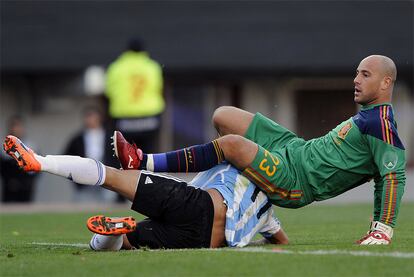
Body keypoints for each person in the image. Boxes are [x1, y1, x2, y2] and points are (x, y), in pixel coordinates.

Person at [112, 55, 405, 245]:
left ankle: (141, 160)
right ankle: (242, 176)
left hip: (295, 181)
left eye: (365, 75)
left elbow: (392, 176)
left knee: (231, 145)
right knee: (222, 115)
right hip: (293, 147)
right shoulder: (368, 117)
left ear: (386, 82)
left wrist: (383, 228)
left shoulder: (381, 124)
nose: (356, 80)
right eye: (357, 73)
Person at [3, 135, 288, 250]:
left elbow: (207, 150)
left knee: (111, 176)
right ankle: (111, 236)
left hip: (195, 203)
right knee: (128, 242)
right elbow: (281, 241)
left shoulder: (235, 159)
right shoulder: (267, 209)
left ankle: (40, 161)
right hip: (200, 241)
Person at [105, 37, 165, 153]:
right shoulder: (153, 67)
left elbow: (109, 91)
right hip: (150, 116)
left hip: (124, 118)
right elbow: (158, 88)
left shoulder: (116, 67)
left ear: (127, 50)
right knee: (148, 154)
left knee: (125, 156)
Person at [64, 106, 119, 202]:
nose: (90, 120)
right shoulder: (77, 138)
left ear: (99, 118)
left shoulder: (111, 136)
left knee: (108, 203)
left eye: (93, 117)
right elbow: (67, 156)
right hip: (84, 175)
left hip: (107, 173)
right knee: (83, 202)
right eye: (88, 117)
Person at [0, 116, 38, 202]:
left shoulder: (30, 146)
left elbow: (37, 168)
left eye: (18, 126)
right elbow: (3, 169)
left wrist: (28, 181)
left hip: (26, 188)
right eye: (13, 126)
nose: (16, 129)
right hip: (9, 188)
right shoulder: (3, 147)